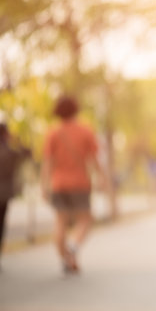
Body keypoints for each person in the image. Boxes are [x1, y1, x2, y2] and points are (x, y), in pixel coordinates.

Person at [41, 96, 107, 275]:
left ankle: (67, 260)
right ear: (76, 110)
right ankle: (73, 246)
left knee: (60, 221)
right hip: (80, 183)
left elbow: (47, 162)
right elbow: (94, 159)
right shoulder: (85, 131)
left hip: (58, 183)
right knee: (85, 220)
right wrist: (102, 178)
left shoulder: (52, 133)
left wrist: (43, 185)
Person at [0, 123, 30, 269]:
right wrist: (16, 141)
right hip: (4, 194)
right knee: (0, 225)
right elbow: (28, 153)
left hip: (4, 194)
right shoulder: (11, 151)